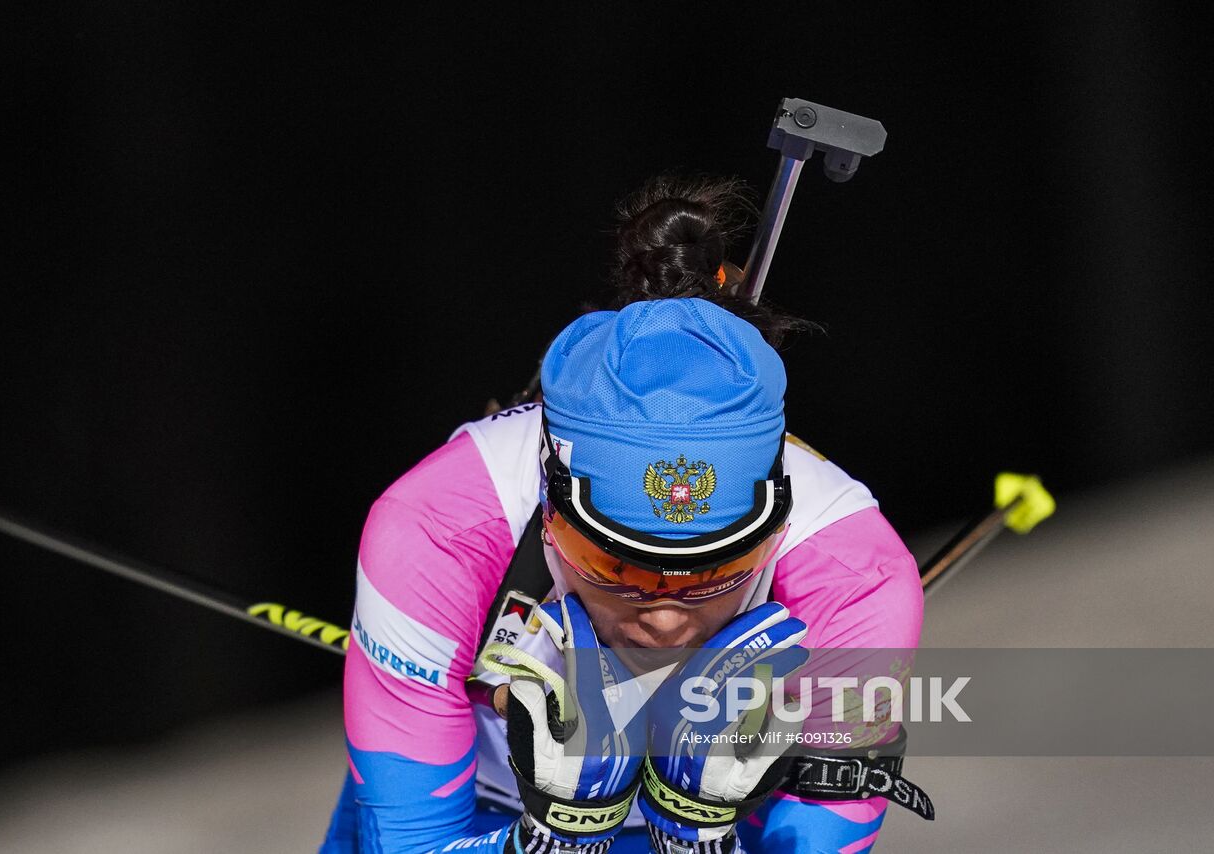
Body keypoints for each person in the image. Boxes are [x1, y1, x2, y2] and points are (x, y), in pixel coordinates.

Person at [322, 175, 924, 853]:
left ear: (773, 525)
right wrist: (554, 840)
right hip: (481, 815)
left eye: (713, 573)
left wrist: (696, 837)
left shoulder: (855, 579)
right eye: (615, 564)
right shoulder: (438, 530)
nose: (664, 618)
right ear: (552, 513)